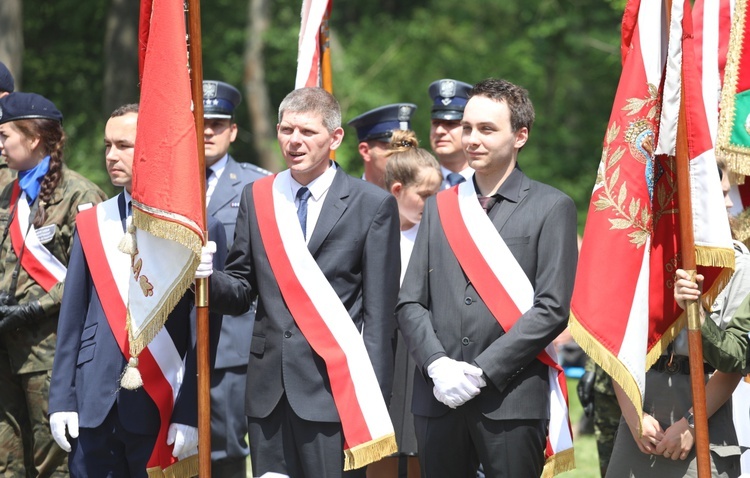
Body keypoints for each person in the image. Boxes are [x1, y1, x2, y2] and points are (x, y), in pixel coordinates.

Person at [206, 87, 401, 477]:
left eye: (308, 132)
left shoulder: (371, 204)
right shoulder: (257, 196)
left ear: (335, 138)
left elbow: (380, 320)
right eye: (286, 130)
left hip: (335, 390)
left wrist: (371, 400)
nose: (294, 141)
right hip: (267, 393)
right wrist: (205, 278)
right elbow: (243, 290)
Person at [395, 78, 578, 477]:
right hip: (438, 396)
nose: (471, 139)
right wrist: (437, 364)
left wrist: (481, 371)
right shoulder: (441, 206)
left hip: (509, 399)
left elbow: (552, 310)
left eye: (487, 129)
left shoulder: (552, 206)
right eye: (467, 127)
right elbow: (410, 301)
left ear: (520, 136)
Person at [47, 104, 226, 477]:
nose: (111, 156)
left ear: (152, 148)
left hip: (160, 401)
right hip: (93, 402)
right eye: (108, 145)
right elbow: (73, 316)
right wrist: (62, 396)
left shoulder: (198, 226)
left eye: (124, 146)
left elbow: (207, 329)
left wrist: (192, 412)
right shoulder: (93, 221)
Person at [606, 160, 746, 478]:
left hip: (704, 406)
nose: (729, 202)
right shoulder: (640, 255)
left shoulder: (738, 264)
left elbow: (736, 360)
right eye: (720, 193)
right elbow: (615, 339)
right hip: (640, 408)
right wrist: (633, 415)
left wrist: (692, 423)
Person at [0, 92, 106, 476]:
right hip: (6, 349)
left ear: (32, 138)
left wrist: (31, 309)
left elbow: (93, 275)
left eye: (5, 135)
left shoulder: (80, 194)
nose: (0, 145)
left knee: (53, 462)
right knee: (8, 461)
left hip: (49, 352)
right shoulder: (6, 191)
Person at [202, 79, 270, 478]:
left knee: (225, 450)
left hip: (229, 342)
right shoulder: (167, 184)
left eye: (218, 123)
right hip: (171, 343)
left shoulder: (257, 185)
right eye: (202, 123)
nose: (208, 131)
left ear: (233, 131)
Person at [367, 130, 441, 478]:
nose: (433, 202)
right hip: (380, 356)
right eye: (425, 195)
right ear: (397, 190)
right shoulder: (370, 229)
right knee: (377, 449)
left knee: (421, 452)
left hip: (423, 356)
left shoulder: (438, 235)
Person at [347, 103, 417, 190]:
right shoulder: (349, 201)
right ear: (365, 151)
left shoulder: (421, 200)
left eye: (407, 147)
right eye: (393, 148)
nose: (402, 155)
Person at [428, 79, 474, 189]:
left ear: (471, 128)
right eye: (436, 123)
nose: (439, 131)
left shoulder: (490, 182)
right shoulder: (418, 186)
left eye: (451, 123)